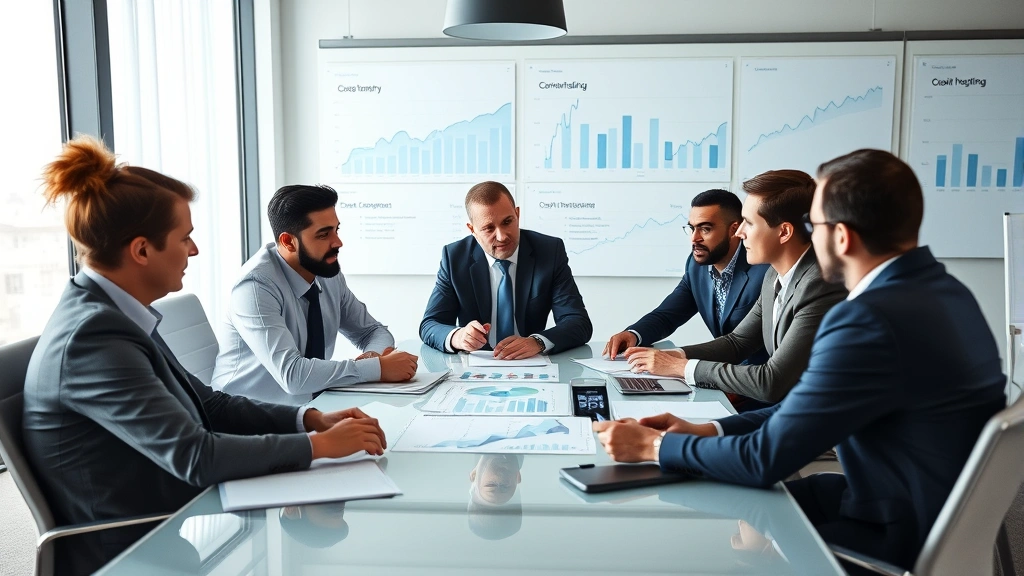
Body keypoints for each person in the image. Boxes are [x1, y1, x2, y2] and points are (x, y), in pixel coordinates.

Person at [593, 149, 1006, 572]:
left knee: (718, 545)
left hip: (895, 532)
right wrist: (707, 428)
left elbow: (764, 459)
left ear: (841, 237)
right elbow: (801, 407)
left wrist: (654, 446)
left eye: (816, 224)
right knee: (744, 498)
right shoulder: (946, 292)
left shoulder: (867, 320)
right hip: (911, 500)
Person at [22, 136, 387, 575]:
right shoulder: (94, 339)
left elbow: (208, 404)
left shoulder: (115, 316)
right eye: (185, 238)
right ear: (141, 250)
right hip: (130, 552)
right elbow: (196, 457)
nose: (194, 251)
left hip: (171, 525)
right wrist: (317, 446)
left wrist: (309, 420)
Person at [624, 170, 847, 405]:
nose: (740, 233)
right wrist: (672, 356)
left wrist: (681, 367)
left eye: (748, 223)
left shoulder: (820, 284)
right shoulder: (775, 274)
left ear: (784, 232)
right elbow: (737, 342)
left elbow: (770, 382)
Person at [212, 184, 418, 405]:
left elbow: (372, 332)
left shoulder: (325, 273)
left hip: (310, 408)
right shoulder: (255, 287)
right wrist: (377, 368)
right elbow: (293, 375)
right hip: (245, 419)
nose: (338, 243)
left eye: (336, 230)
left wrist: (372, 359)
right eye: (323, 234)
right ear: (288, 242)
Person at [420, 181, 592, 359]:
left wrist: (538, 341)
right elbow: (430, 325)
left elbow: (578, 322)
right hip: (475, 366)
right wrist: (458, 336)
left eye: (507, 222)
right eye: (488, 228)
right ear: (472, 230)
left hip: (530, 362)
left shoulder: (549, 251)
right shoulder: (455, 257)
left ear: (517, 214)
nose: (502, 236)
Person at [603, 189, 769, 365]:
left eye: (705, 229)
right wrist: (634, 334)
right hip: (721, 376)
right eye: (692, 228)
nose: (694, 238)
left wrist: (673, 359)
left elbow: (742, 345)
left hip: (759, 380)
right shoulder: (696, 267)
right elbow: (668, 315)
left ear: (734, 230)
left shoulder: (764, 271)